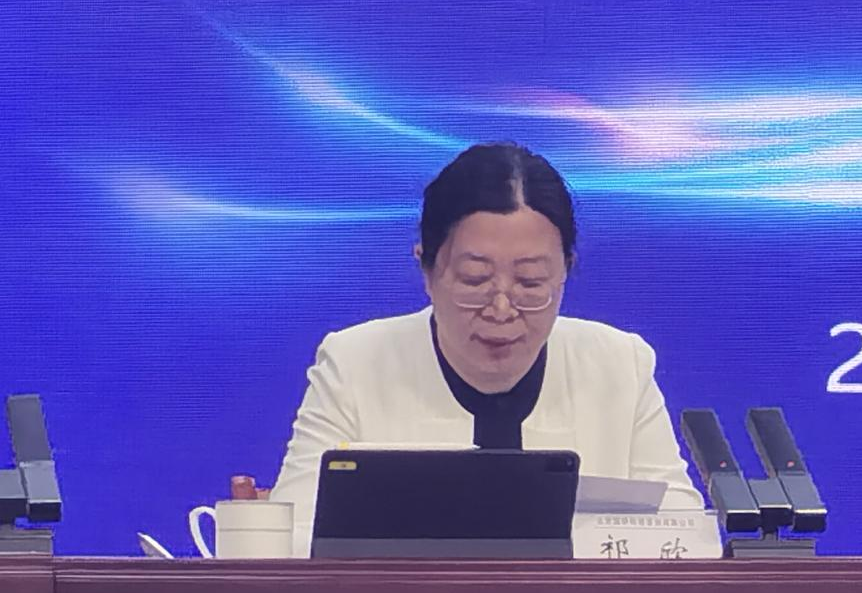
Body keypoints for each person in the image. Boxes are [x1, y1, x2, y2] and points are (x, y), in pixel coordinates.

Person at [271, 143, 704, 557]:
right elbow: (291, 538)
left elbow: (683, 536)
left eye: (530, 283)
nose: (501, 309)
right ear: (427, 270)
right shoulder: (355, 364)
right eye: (475, 280)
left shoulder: (620, 365)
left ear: (565, 273)